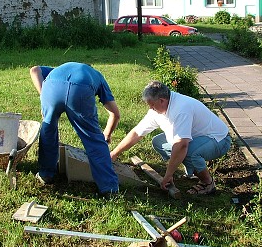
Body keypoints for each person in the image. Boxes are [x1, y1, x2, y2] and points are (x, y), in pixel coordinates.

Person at [110, 81, 231, 195]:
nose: (150, 109)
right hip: (197, 137)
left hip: (219, 140)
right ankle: (192, 168)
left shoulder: (181, 109)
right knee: (158, 142)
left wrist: (168, 175)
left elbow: (181, 145)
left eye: (152, 105)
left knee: (188, 152)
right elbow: (136, 133)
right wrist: (114, 153)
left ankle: (208, 183)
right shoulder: (158, 109)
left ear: (162, 100)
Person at [30, 62, 120, 195]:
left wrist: (43, 95)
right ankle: (109, 188)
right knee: (93, 138)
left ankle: (46, 174)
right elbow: (115, 114)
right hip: (80, 90)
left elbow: (34, 70)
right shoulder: (97, 76)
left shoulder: (59, 69)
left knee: (48, 130)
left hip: (51, 87)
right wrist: (107, 134)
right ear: (90, 67)